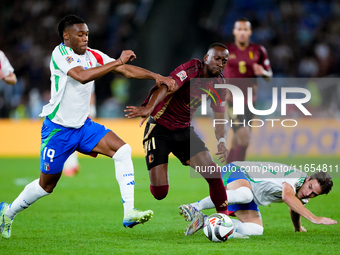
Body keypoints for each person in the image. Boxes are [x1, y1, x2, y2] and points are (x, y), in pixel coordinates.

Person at [0, 14, 175, 239]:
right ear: (66, 36)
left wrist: (156, 76)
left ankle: (129, 211)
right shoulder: (60, 53)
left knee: (123, 150)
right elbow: (81, 76)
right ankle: (8, 212)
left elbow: (124, 70)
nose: (85, 38)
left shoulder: (93, 55)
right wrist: (118, 61)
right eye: (80, 34)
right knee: (46, 186)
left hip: (83, 127)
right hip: (58, 130)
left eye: (87, 34)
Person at [124, 43, 230, 222]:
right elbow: (167, 85)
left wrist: (221, 140)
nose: (220, 64)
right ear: (206, 58)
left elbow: (220, 117)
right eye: (217, 58)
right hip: (159, 128)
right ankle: (158, 158)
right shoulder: (191, 68)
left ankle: (224, 219)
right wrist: (149, 108)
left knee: (213, 173)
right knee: (160, 193)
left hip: (184, 131)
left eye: (224, 61)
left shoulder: (219, 84)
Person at [179, 161, 337, 236]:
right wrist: (314, 218)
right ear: (308, 178)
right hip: (237, 171)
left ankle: (205, 221)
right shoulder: (296, 177)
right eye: (310, 187)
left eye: (314, 194)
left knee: (256, 230)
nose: (308, 194)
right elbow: (288, 197)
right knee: (244, 194)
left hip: (250, 195)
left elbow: (295, 206)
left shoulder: (304, 193)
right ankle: (194, 207)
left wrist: (297, 228)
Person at [224, 18, 272, 163]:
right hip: (232, 100)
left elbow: (269, 75)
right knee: (244, 139)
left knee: (237, 140)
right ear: (234, 31)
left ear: (250, 32)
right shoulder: (225, 51)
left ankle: (226, 174)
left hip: (250, 102)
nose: (242, 33)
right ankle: (238, 173)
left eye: (245, 29)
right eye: (239, 29)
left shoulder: (259, 51)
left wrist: (263, 71)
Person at [63, 89, 96, 176]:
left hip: (77, 112)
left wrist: (91, 107)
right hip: (78, 111)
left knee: (69, 138)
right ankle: (72, 164)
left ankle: (71, 165)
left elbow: (91, 94)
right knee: (72, 138)